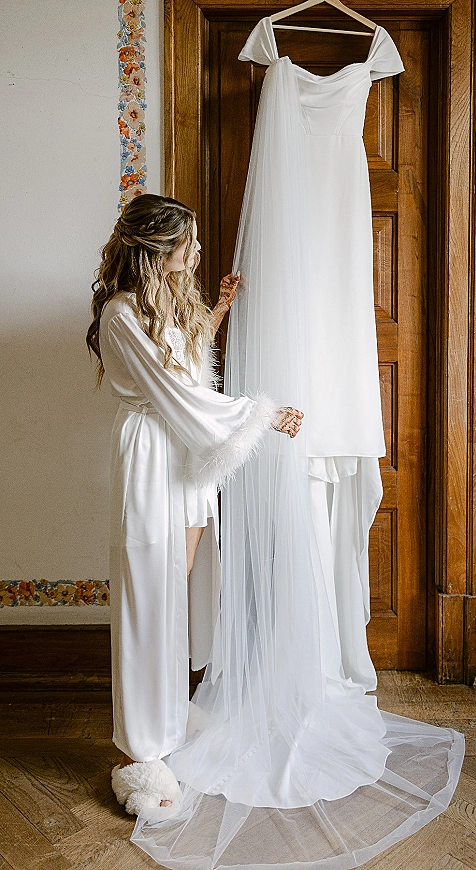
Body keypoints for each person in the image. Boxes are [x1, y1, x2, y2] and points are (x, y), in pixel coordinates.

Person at [86, 193, 303, 813]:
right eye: (187, 241)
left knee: (170, 596)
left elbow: (185, 367)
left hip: (182, 460)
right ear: (157, 246)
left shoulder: (162, 305)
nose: (196, 250)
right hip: (152, 456)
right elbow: (176, 395)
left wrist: (220, 311)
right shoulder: (122, 314)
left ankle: (166, 718)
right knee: (145, 599)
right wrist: (261, 414)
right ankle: (137, 753)